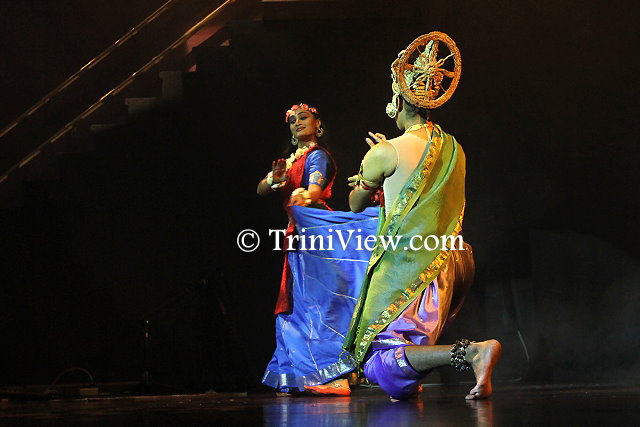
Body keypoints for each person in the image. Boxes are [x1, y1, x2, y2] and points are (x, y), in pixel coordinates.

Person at [343, 32, 502, 401]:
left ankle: (472, 352)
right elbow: (421, 195)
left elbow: (355, 204)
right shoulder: (454, 147)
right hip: (450, 261)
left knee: (378, 362)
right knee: (399, 375)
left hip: (410, 263)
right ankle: (425, 372)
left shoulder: (386, 151)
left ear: (398, 100)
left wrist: (368, 174)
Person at [258, 103, 379, 396]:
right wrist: (275, 180)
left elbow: (314, 189)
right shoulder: (289, 163)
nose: (297, 123)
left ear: (318, 124)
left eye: (304, 118)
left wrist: (305, 195)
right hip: (298, 234)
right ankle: (306, 371)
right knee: (297, 304)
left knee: (316, 304)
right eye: (292, 121)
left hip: (314, 233)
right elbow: (261, 189)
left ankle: (332, 374)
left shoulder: (317, 156)